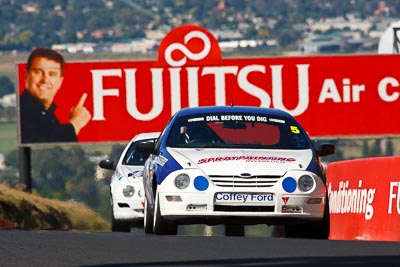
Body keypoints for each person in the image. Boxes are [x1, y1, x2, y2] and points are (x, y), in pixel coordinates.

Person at [19, 47, 91, 143]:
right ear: (26, 75)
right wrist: (76, 123)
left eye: (52, 74)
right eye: (38, 72)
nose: (45, 80)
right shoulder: (21, 111)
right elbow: (43, 142)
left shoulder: (48, 116)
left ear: (60, 81)